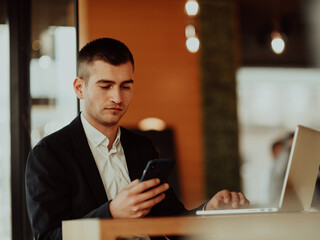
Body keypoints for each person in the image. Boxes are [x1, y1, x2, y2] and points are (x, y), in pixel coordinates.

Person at [25, 38, 250, 240]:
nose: (117, 97)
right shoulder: (48, 155)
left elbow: (171, 219)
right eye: (106, 86)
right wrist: (112, 213)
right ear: (79, 88)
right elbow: (49, 237)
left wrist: (208, 210)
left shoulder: (142, 148)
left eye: (126, 86)